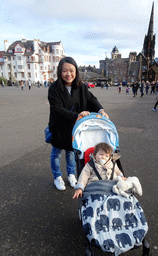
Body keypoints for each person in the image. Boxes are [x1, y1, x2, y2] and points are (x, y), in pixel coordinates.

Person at [48, 57, 109, 191]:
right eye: (64, 71)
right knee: (56, 153)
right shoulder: (54, 88)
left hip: (74, 127)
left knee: (71, 152)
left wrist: (101, 110)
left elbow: (91, 99)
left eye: (71, 70)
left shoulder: (80, 87)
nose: (68, 74)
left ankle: (71, 175)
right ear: (59, 72)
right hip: (59, 126)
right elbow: (57, 109)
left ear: (76, 71)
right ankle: (57, 176)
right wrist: (78, 115)